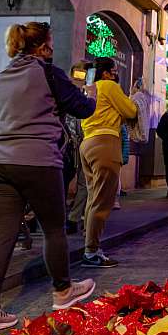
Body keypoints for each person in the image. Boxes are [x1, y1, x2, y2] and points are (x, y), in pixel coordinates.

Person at [0, 22, 96, 335]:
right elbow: (83, 108)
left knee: (2, 235)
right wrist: (91, 91)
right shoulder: (49, 73)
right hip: (37, 161)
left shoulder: (2, 76)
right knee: (54, 228)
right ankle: (64, 292)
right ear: (41, 47)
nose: (53, 49)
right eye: (50, 43)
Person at [79, 57, 141, 268]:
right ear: (106, 73)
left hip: (88, 142)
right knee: (103, 200)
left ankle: (90, 245)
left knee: (92, 197)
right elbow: (131, 111)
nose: (116, 75)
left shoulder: (91, 88)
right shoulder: (108, 86)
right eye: (114, 71)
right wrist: (136, 96)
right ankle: (91, 252)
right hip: (106, 142)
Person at [65, 61, 91, 234]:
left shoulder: (92, 94)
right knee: (63, 181)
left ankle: (73, 218)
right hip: (67, 145)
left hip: (86, 144)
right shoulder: (66, 90)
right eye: (78, 73)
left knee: (83, 182)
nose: (80, 77)